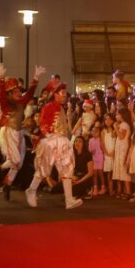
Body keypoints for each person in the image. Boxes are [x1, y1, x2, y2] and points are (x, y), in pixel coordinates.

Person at [25, 80, 83, 210]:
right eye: (62, 92)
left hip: (62, 142)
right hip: (51, 141)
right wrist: (47, 134)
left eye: (65, 92)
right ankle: (31, 190)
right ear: (55, 94)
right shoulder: (48, 106)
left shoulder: (61, 108)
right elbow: (43, 123)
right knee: (43, 170)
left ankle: (69, 200)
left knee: (67, 169)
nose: (65, 95)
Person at [0, 61, 45, 200]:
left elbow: (30, 93)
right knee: (15, 160)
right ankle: (0, 168)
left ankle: (7, 184)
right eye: (16, 91)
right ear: (10, 93)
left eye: (19, 91)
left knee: (19, 163)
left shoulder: (22, 102)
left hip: (19, 133)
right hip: (7, 132)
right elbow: (1, 95)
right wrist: (1, 79)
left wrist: (35, 78)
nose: (19, 93)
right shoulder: (6, 103)